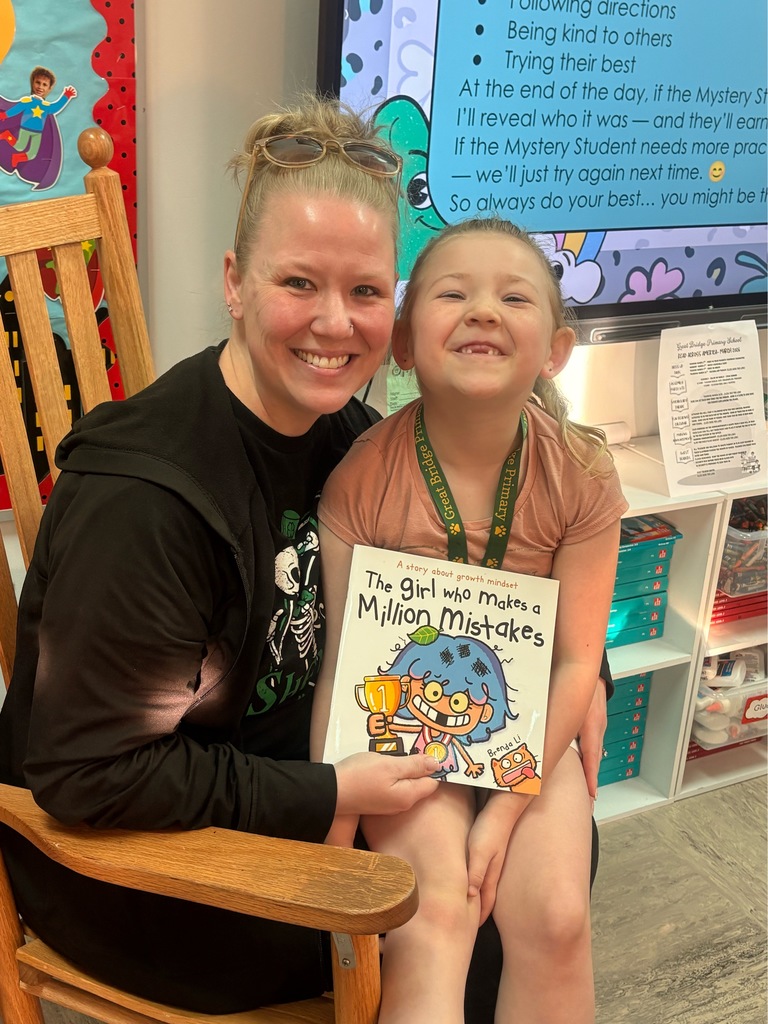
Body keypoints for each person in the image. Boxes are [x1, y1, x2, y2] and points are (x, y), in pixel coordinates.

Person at [0, 95, 443, 1013]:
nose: (336, 324)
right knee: (447, 918)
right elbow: (91, 773)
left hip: (284, 777)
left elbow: (448, 580)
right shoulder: (147, 502)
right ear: (234, 281)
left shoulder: (351, 438)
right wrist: (325, 794)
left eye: (365, 291)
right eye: (298, 284)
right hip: (145, 870)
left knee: (516, 854)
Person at [311, 217, 629, 1023]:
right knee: (434, 917)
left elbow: (575, 662)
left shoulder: (584, 475)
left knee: (557, 918)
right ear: (407, 343)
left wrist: (508, 812)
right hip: (405, 729)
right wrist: (334, 804)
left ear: (555, 351)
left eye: (513, 296)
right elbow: (347, 660)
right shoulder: (361, 478)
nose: (483, 310)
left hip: (530, 731)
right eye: (452, 293)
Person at [0, 66, 77, 168]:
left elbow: (56, 107)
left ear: (49, 88)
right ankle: (6, 135)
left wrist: (66, 96)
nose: (40, 87)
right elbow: (17, 109)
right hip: (25, 129)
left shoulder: (46, 106)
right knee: (19, 146)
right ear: (32, 83)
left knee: (32, 154)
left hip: (38, 132)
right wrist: (4, 115)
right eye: (38, 82)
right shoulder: (27, 101)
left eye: (44, 84)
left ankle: (17, 158)